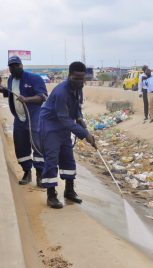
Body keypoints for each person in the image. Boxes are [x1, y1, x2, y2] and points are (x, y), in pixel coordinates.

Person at [39, 61, 97, 209]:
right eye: (76, 78)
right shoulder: (60, 92)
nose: (80, 81)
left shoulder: (78, 88)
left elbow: (76, 108)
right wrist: (85, 135)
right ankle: (51, 196)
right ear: (69, 76)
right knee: (52, 158)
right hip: (51, 125)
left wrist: (81, 120)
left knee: (68, 157)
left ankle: (69, 191)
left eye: (82, 78)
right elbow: (64, 119)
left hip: (64, 125)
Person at [0, 55, 47, 186]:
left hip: (34, 117)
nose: (14, 68)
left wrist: (27, 99)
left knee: (37, 146)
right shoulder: (11, 79)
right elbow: (10, 93)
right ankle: (27, 172)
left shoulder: (34, 78)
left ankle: (40, 174)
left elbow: (43, 96)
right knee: (20, 146)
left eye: (16, 66)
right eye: (11, 66)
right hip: (19, 118)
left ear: (21, 65)